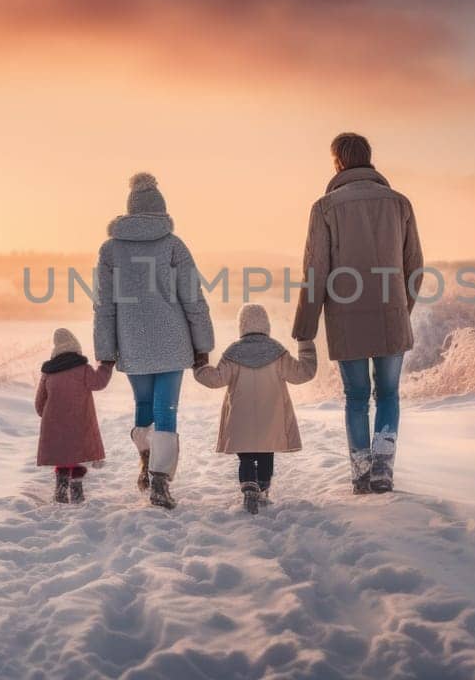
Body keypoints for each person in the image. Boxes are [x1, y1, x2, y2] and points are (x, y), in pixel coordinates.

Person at [293, 133, 423, 494]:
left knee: (355, 397)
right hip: (390, 315)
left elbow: (315, 271)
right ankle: (383, 467)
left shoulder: (324, 208)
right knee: (388, 394)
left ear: (337, 162)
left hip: (346, 319)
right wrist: (400, 307)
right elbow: (415, 266)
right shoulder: (400, 203)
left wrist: (305, 327)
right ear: (369, 158)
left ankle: (361, 472)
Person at [94, 172, 214, 509]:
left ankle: (147, 464)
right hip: (173, 344)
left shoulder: (110, 250)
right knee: (166, 409)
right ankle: (161, 479)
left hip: (132, 343)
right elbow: (193, 298)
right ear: (161, 208)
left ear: (130, 210)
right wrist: (202, 345)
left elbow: (104, 306)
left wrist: (105, 353)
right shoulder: (174, 245)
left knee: (144, 406)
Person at [193, 304, 318, 514]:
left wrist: (199, 365)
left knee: (247, 456)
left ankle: (249, 484)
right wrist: (305, 346)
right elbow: (303, 373)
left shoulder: (233, 353)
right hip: (271, 418)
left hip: (240, 420)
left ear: (241, 326)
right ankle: (263, 487)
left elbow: (216, 379)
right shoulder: (277, 352)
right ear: (266, 326)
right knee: (266, 454)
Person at [34, 328, 113, 504]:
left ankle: (61, 488)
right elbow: (99, 383)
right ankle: (77, 490)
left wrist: (50, 415)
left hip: (54, 423)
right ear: (76, 347)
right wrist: (107, 365)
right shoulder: (82, 369)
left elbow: (39, 403)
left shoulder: (48, 372)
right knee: (76, 453)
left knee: (63, 454)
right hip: (80, 421)